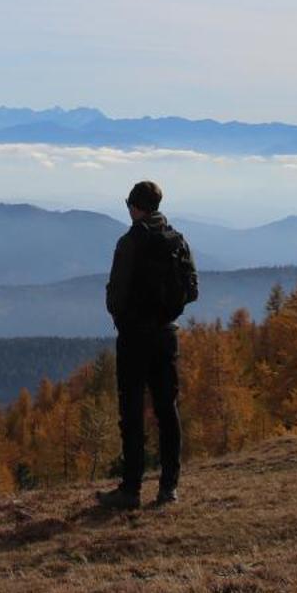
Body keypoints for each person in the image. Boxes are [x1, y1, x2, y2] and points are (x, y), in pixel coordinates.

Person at [95, 179, 198, 510]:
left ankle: (131, 490)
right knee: (168, 410)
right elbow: (192, 289)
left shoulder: (130, 242)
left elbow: (115, 295)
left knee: (132, 412)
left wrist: (124, 318)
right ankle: (169, 487)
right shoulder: (177, 240)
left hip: (134, 338)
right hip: (167, 335)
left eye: (129, 205)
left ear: (136, 207)